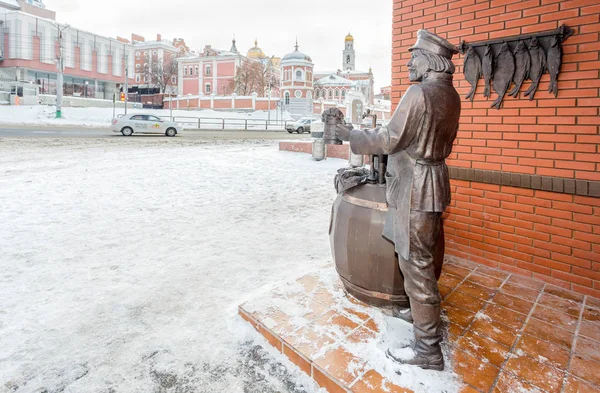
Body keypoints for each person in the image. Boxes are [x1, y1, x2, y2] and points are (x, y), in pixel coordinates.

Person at [335, 29, 461, 371]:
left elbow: (390, 138)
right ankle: (420, 316)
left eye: (414, 57)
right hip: (433, 182)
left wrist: (353, 136)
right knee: (420, 256)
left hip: (414, 187)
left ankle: (428, 349)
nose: (409, 63)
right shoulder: (450, 95)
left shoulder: (419, 93)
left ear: (429, 60)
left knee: (415, 262)